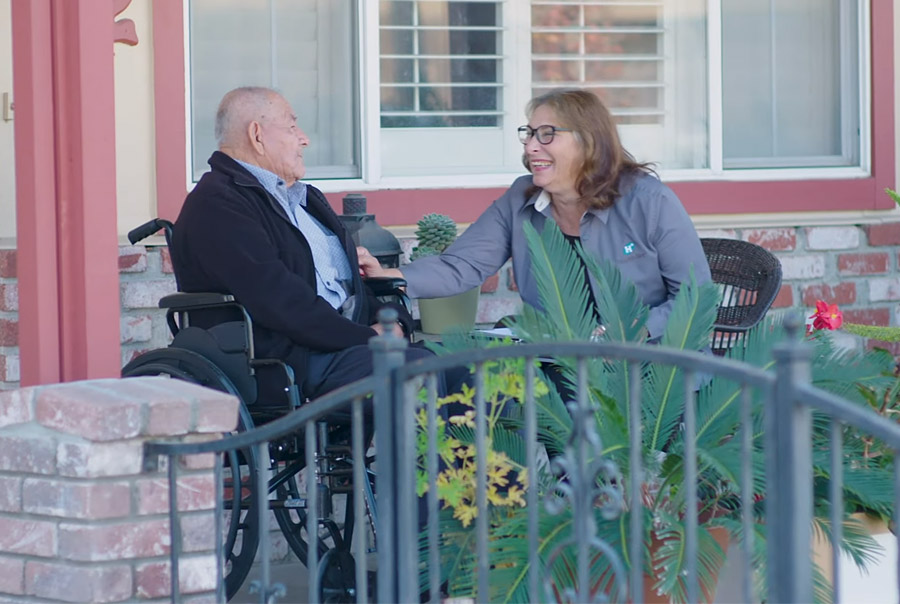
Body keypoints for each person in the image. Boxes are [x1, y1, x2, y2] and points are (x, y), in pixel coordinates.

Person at [360, 88, 711, 341]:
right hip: (560, 365)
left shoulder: (649, 201)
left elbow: (695, 298)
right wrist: (389, 274)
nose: (530, 147)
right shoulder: (520, 199)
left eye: (547, 134)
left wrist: (637, 329)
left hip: (655, 370)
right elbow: (462, 266)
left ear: (590, 141)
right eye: (528, 134)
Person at [172, 86, 452, 401]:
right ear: (257, 135)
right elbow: (279, 299)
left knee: (465, 370)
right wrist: (367, 338)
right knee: (417, 369)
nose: (304, 138)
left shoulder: (304, 200)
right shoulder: (219, 205)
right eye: (292, 127)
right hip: (289, 359)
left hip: (343, 345)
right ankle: (420, 452)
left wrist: (392, 319)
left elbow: (346, 286)